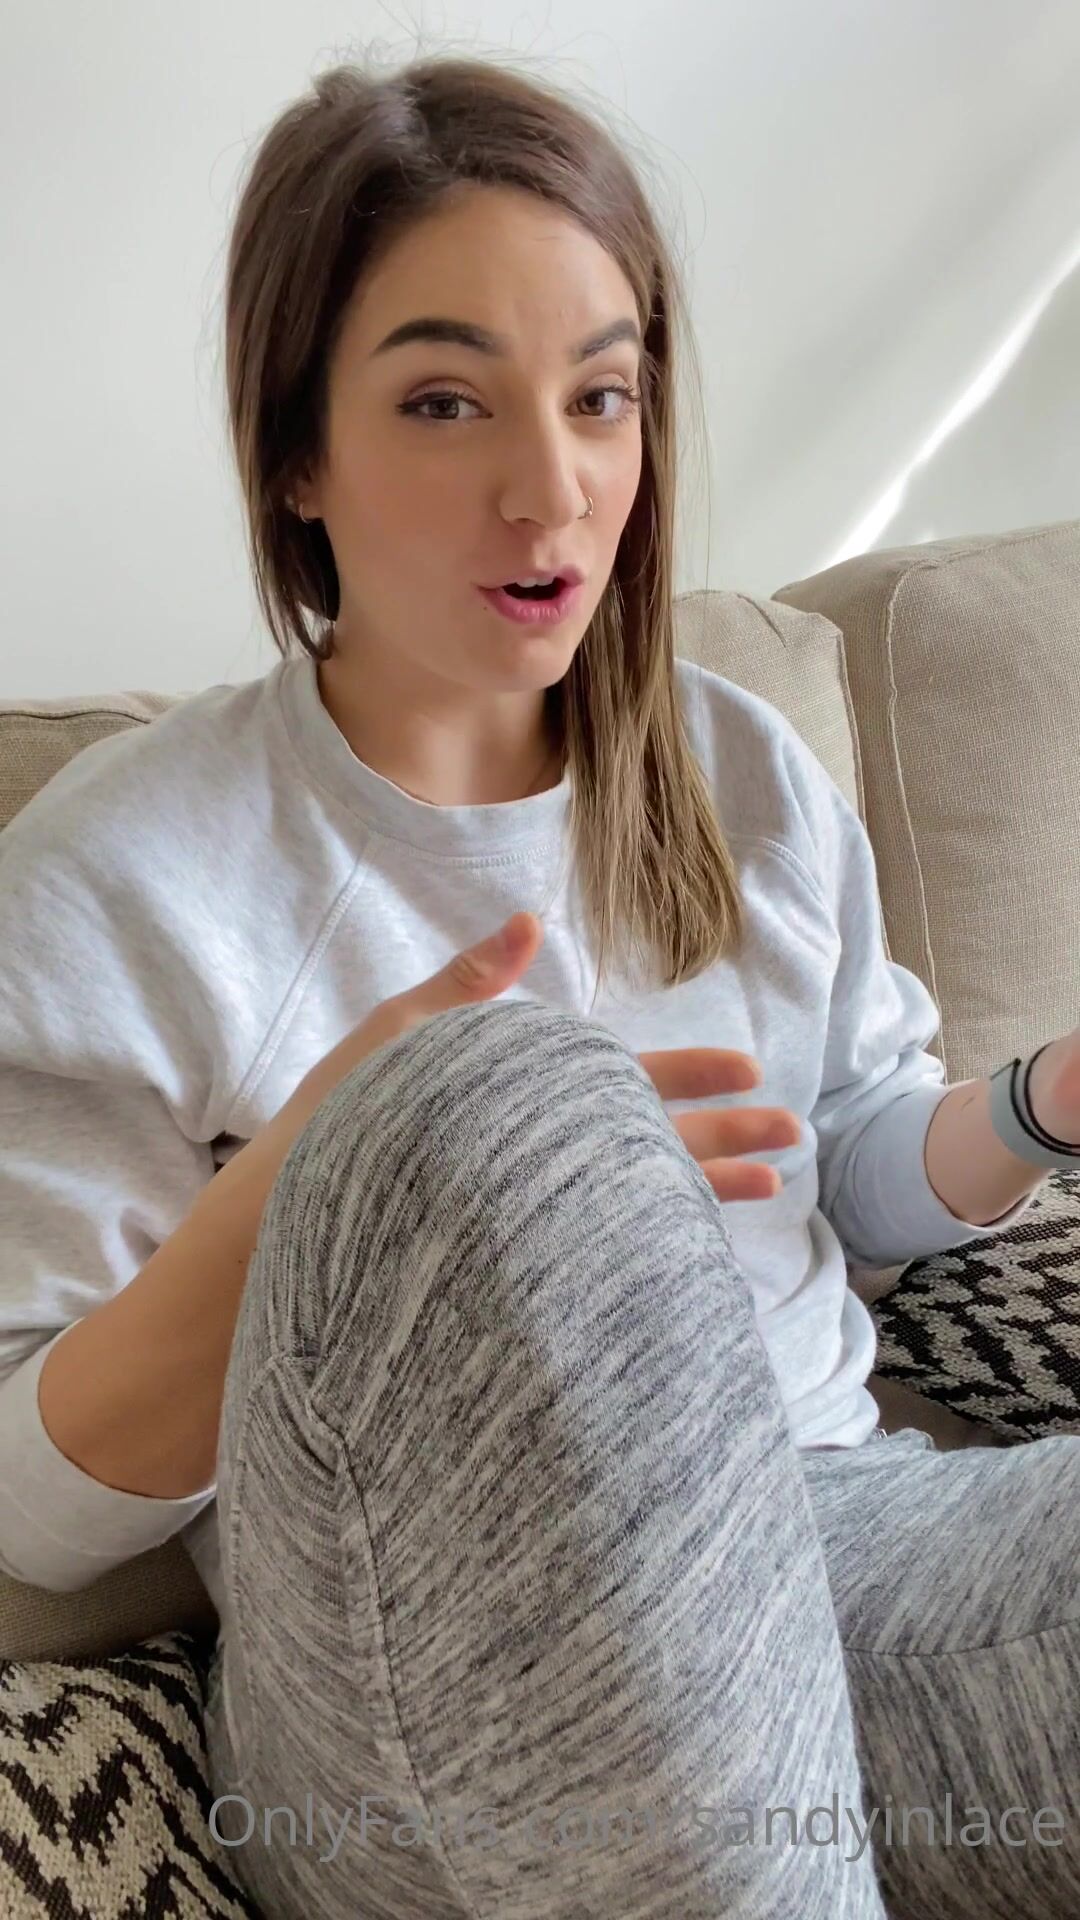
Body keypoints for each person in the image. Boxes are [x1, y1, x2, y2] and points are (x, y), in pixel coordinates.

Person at [1, 50, 1078, 1920]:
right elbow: (34, 1508)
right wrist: (342, 1172)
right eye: (446, 401)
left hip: (835, 1544)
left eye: (602, 397)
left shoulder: (737, 772)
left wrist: (1044, 1104)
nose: (553, 488)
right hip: (409, 1662)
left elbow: (845, 1173)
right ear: (296, 454)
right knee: (497, 1101)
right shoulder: (128, 877)